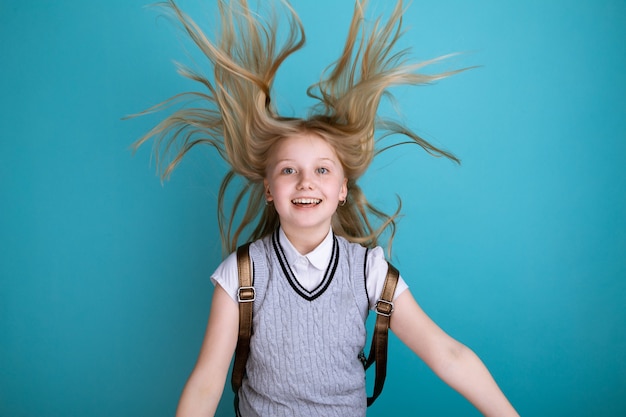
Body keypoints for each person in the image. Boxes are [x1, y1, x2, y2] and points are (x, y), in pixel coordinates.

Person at [134, 0, 520, 415]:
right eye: (288, 170)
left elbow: (448, 354)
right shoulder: (240, 274)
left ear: (342, 189)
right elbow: (206, 383)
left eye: (321, 170)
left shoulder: (369, 272)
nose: (305, 182)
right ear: (268, 189)